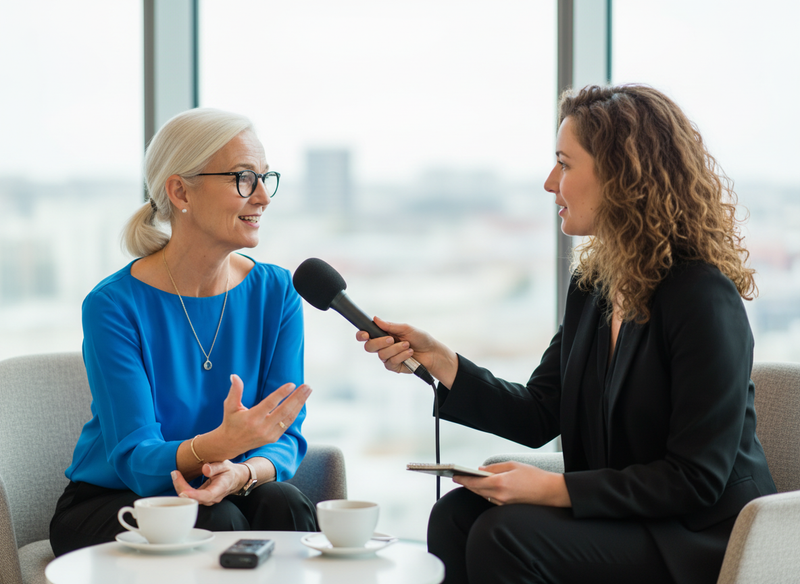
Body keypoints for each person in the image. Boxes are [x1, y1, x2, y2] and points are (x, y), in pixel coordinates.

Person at [357, 85, 776, 584]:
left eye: (565, 164)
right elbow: (540, 413)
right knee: (454, 516)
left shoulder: (702, 296)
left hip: (700, 537)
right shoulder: (594, 287)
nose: (549, 182)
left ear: (623, 177)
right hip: (629, 519)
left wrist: (552, 489)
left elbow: (695, 478)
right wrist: (441, 362)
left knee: (503, 535)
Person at [50, 108, 317, 556]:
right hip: (115, 501)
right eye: (242, 178)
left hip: (226, 487)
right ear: (179, 191)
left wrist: (243, 472)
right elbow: (136, 458)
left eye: (264, 179)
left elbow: (285, 434)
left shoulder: (277, 294)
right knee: (216, 519)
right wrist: (219, 445)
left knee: (284, 503)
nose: (262, 198)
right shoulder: (113, 305)